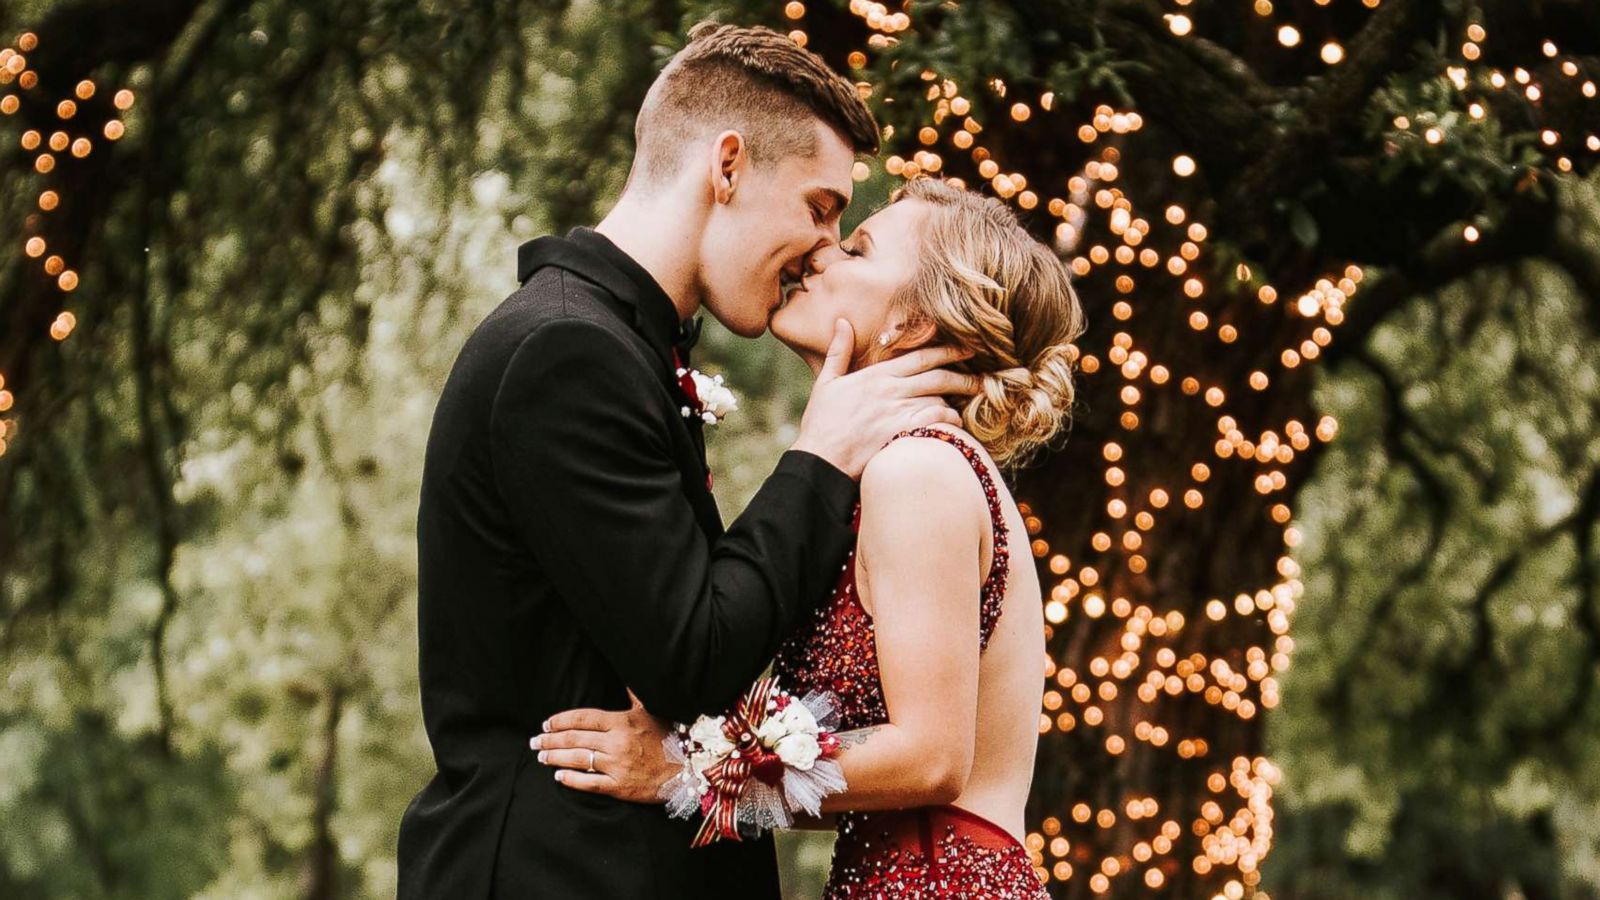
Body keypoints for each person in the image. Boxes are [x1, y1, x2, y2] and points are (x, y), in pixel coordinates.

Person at [396, 24, 979, 900]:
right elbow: (692, 657)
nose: (822, 247)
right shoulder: (567, 352)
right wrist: (819, 455)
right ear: (729, 165)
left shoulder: (614, 345)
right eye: (820, 207)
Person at [535, 177, 1086, 898]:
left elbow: (930, 760)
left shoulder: (917, 471)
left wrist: (691, 773)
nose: (820, 255)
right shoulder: (911, 469)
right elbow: (881, 782)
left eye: (857, 249)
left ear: (914, 323)